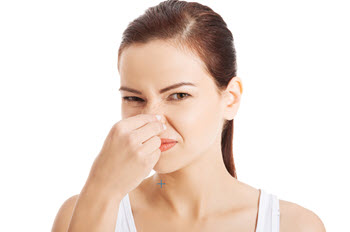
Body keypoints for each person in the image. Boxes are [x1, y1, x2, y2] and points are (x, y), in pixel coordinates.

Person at [52, 0, 326, 231]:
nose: (153, 119)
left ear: (230, 99)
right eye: (134, 98)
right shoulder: (82, 213)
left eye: (178, 95)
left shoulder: (294, 225)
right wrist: (102, 190)